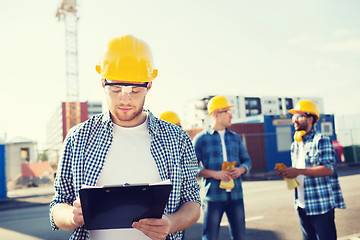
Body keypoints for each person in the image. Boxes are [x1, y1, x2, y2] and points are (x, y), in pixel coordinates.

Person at [49, 35, 201, 240]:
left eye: (135, 90)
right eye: (116, 90)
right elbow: (58, 204)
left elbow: (192, 201)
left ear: (149, 86)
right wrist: (72, 216)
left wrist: (172, 223)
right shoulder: (78, 138)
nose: (125, 99)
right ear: (103, 83)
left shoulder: (177, 139)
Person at [275, 99, 346, 240]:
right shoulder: (295, 144)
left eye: (299, 116)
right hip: (302, 205)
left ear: (311, 118)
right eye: (293, 116)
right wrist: (288, 174)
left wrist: (299, 171)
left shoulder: (321, 139)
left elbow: (328, 169)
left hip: (320, 205)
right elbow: (298, 174)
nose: (294, 120)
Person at [193, 95, 252, 240]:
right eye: (226, 111)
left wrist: (241, 169)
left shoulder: (236, 138)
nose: (230, 115)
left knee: (240, 237)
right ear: (215, 114)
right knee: (210, 237)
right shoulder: (201, 139)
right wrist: (214, 174)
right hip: (213, 197)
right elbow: (190, 167)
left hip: (236, 196)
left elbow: (247, 161)